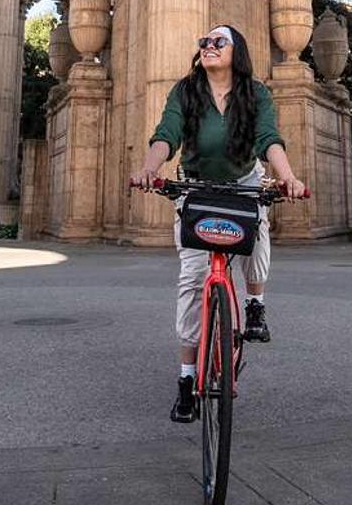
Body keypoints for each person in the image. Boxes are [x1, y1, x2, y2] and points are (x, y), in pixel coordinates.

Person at [129, 24, 309, 423]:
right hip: (196, 187)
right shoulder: (186, 90)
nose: (208, 47)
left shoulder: (255, 92)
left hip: (242, 183)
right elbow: (167, 134)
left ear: (236, 51)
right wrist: (148, 168)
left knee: (257, 231)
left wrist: (288, 177)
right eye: (204, 42)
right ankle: (186, 379)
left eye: (218, 41)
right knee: (192, 280)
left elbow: (268, 138)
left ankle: (255, 304)